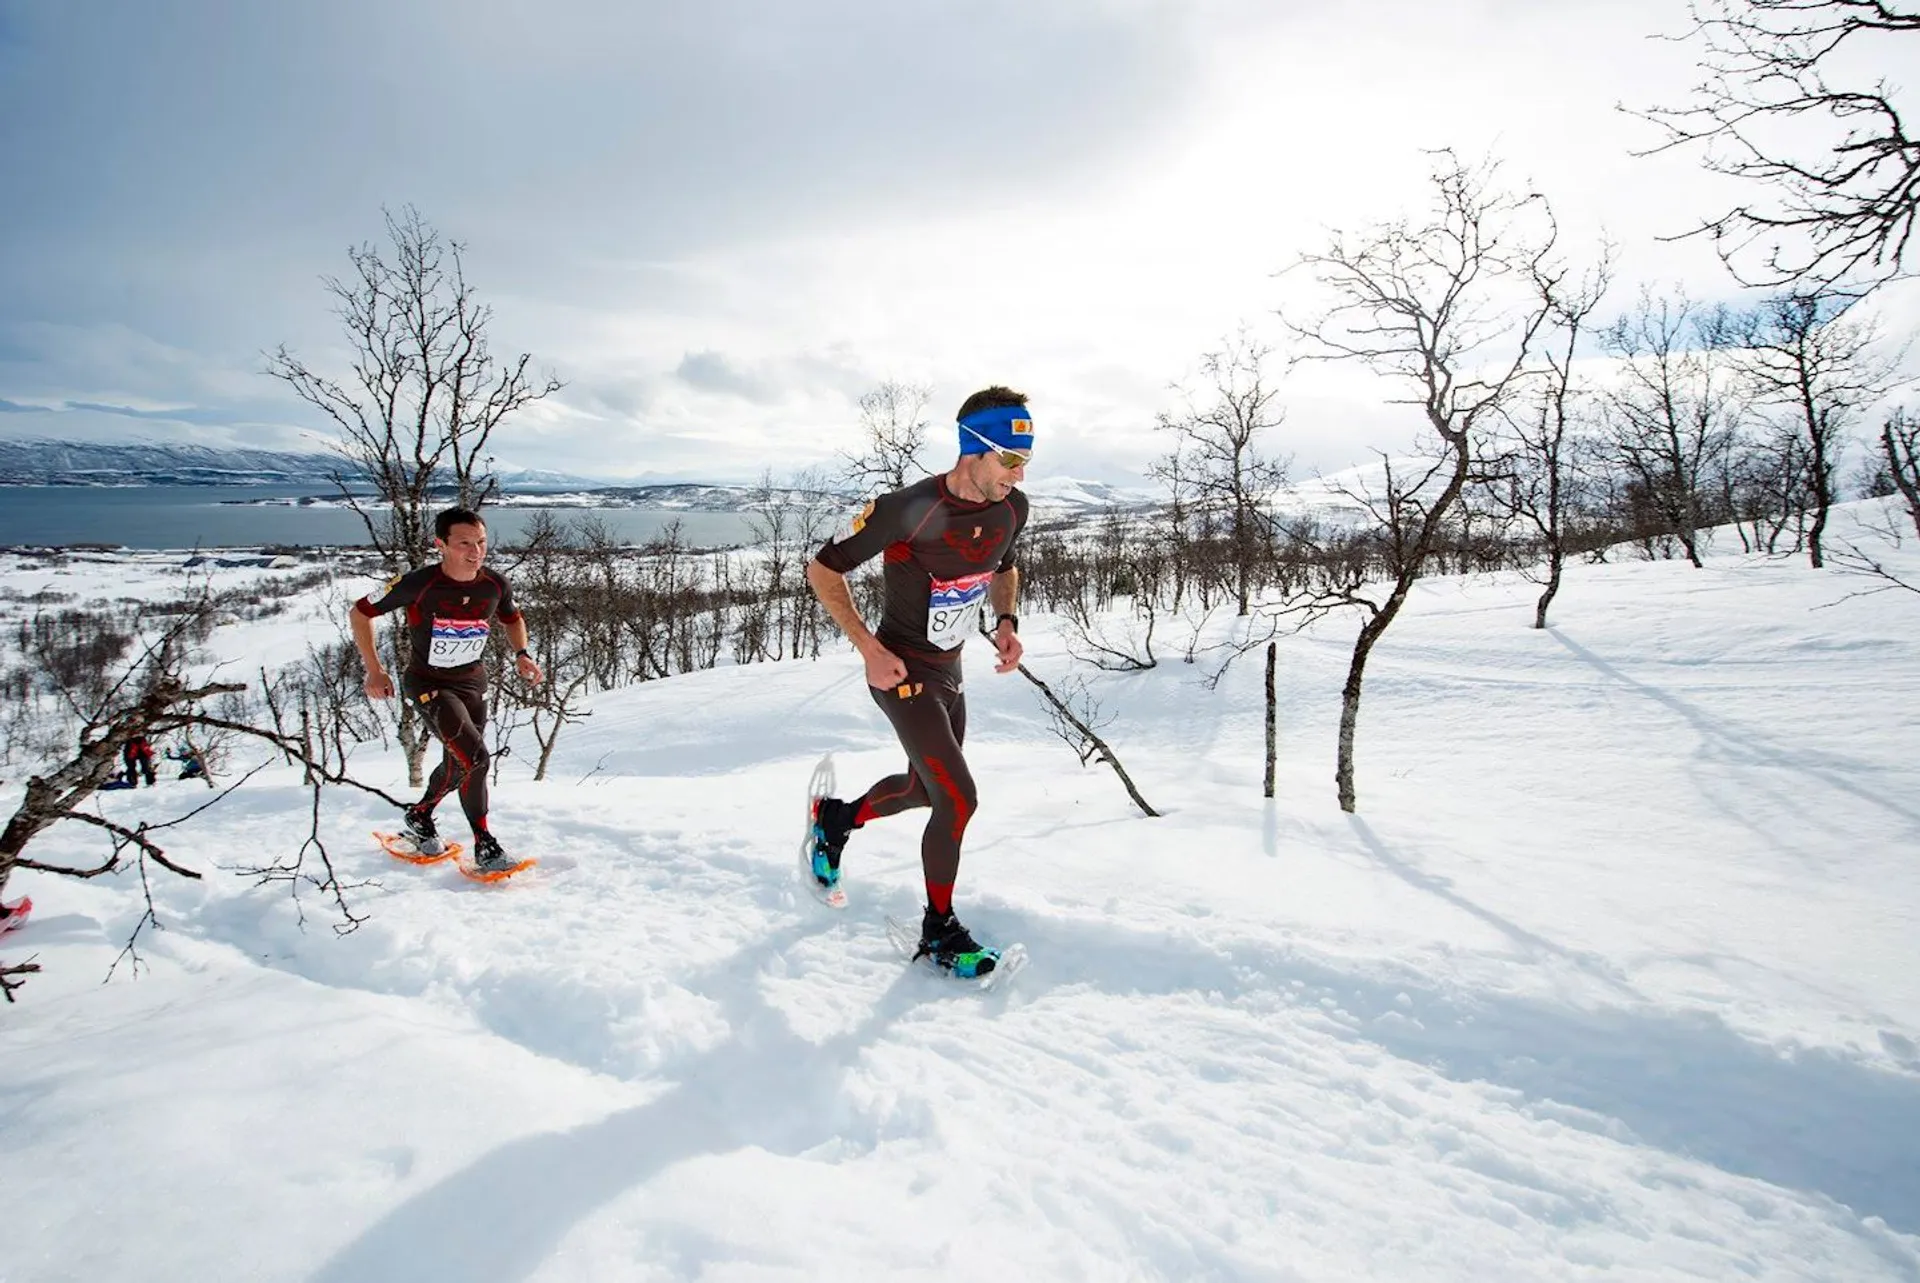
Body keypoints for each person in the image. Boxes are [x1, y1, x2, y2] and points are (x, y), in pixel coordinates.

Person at [804, 385, 1032, 977]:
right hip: (901, 670)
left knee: (924, 791)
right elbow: (822, 571)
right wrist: (869, 650)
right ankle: (939, 932)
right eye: (1010, 458)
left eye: (1026, 460)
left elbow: (1004, 565)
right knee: (959, 798)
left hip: (950, 670)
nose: (1019, 471)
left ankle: (836, 819)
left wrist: (1005, 621)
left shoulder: (1012, 509)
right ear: (974, 450)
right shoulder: (908, 509)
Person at [349, 507, 544, 874]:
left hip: (473, 682)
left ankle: (420, 816)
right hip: (428, 684)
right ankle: (485, 845)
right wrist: (373, 669)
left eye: (482, 542)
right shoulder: (417, 583)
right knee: (478, 759)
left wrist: (522, 654)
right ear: (441, 545)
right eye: (464, 544)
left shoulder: (495, 584)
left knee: (461, 764)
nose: (476, 552)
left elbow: (512, 617)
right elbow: (360, 613)